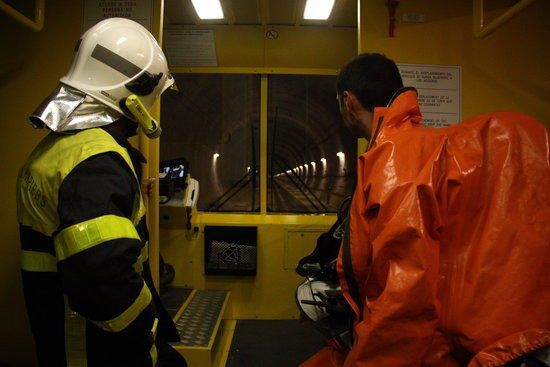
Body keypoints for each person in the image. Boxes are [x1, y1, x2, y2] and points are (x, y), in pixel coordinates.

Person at [300, 53, 550, 366]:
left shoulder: (393, 162)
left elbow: (403, 297)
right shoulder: (426, 151)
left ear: (348, 101)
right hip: (495, 339)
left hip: (426, 346)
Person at [17, 18, 186, 366]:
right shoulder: (98, 165)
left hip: (59, 339)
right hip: (94, 350)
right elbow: (102, 276)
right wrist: (147, 336)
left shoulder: (65, 149)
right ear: (136, 99)